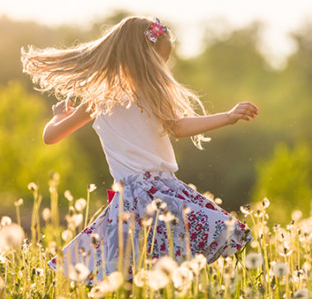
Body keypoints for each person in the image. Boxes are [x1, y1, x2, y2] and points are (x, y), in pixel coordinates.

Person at [21, 16, 258, 286]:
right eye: (161, 61)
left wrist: (56, 117)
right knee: (173, 260)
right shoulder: (142, 94)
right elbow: (178, 128)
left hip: (139, 196)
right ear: (143, 59)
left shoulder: (99, 98)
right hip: (156, 193)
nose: (164, 68)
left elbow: (51, 136)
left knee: (133, 270)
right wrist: (226, 117)